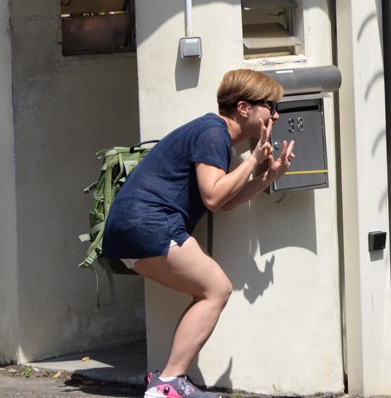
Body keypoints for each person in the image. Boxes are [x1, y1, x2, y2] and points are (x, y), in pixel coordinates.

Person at [102, 68, 296, 398]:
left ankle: (168, 381)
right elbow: (213, 196)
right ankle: (168, 383)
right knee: (216, 289)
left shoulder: (217, 136)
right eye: (270, 106)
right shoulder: (213, 133)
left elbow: (225, 202)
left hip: (137, 225)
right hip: (148, 222)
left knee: (211, 291)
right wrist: (253, 163)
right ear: (244, 108)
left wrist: (266, 177)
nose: (276, 115)